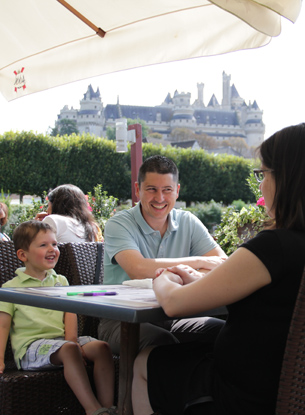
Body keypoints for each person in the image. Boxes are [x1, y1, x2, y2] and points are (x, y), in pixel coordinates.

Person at [132, 123, 305, 415]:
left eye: (263, 174)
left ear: (287, 178)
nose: (261, 185)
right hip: (284, 388)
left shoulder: (273, 247)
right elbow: (258, 293)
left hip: (237, 393)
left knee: (144, 361)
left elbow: (173, 303)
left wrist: (166, 277)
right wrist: (197, 278)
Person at [99, 155, 227, 354]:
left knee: (223, 332)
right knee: (162, 342)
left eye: (167, 190)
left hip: (173, 316)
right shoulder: (119, 223)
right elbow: (138, 269)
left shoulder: (188, 221)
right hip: (122, 321)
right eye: (152, 189)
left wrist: (188, 270)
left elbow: (221, 264)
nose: (159, 198)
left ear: (176, 191)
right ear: (137, 189)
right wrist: (199, 262)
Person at [0, 221, 116, 415]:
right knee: (69, 349)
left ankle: (108, 407)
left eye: (54, 244)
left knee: (102, 348)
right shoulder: (11, 288)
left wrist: (72, 340)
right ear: (23, 255)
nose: (52, 249)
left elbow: (70, 312)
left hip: (62, 343)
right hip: (31, 348)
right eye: (43, 245)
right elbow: (3, 326)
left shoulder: (60, 281)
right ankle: (94, 410)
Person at [35, 184, 103, 242]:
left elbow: (35, 249)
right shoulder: (92, 227)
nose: (47, 210)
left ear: (55, 205)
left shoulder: (53, 220)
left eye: (48, 205)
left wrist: (36, 227)